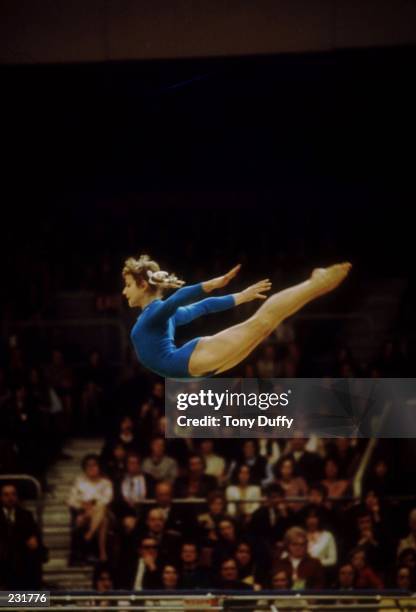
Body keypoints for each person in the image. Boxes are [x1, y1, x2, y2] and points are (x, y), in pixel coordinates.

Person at [122, 254, 351, 378]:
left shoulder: (154, 315)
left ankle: (318, 283)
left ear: (143, 285)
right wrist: (240, 296)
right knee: (264, 327)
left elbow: (180, 298)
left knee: (261, 323)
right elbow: (202, 308)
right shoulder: (158, 318)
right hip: (198, 370)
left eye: (128, 285)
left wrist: (215, 285)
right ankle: (317, 285)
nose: (124, 291)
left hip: (190, 360)